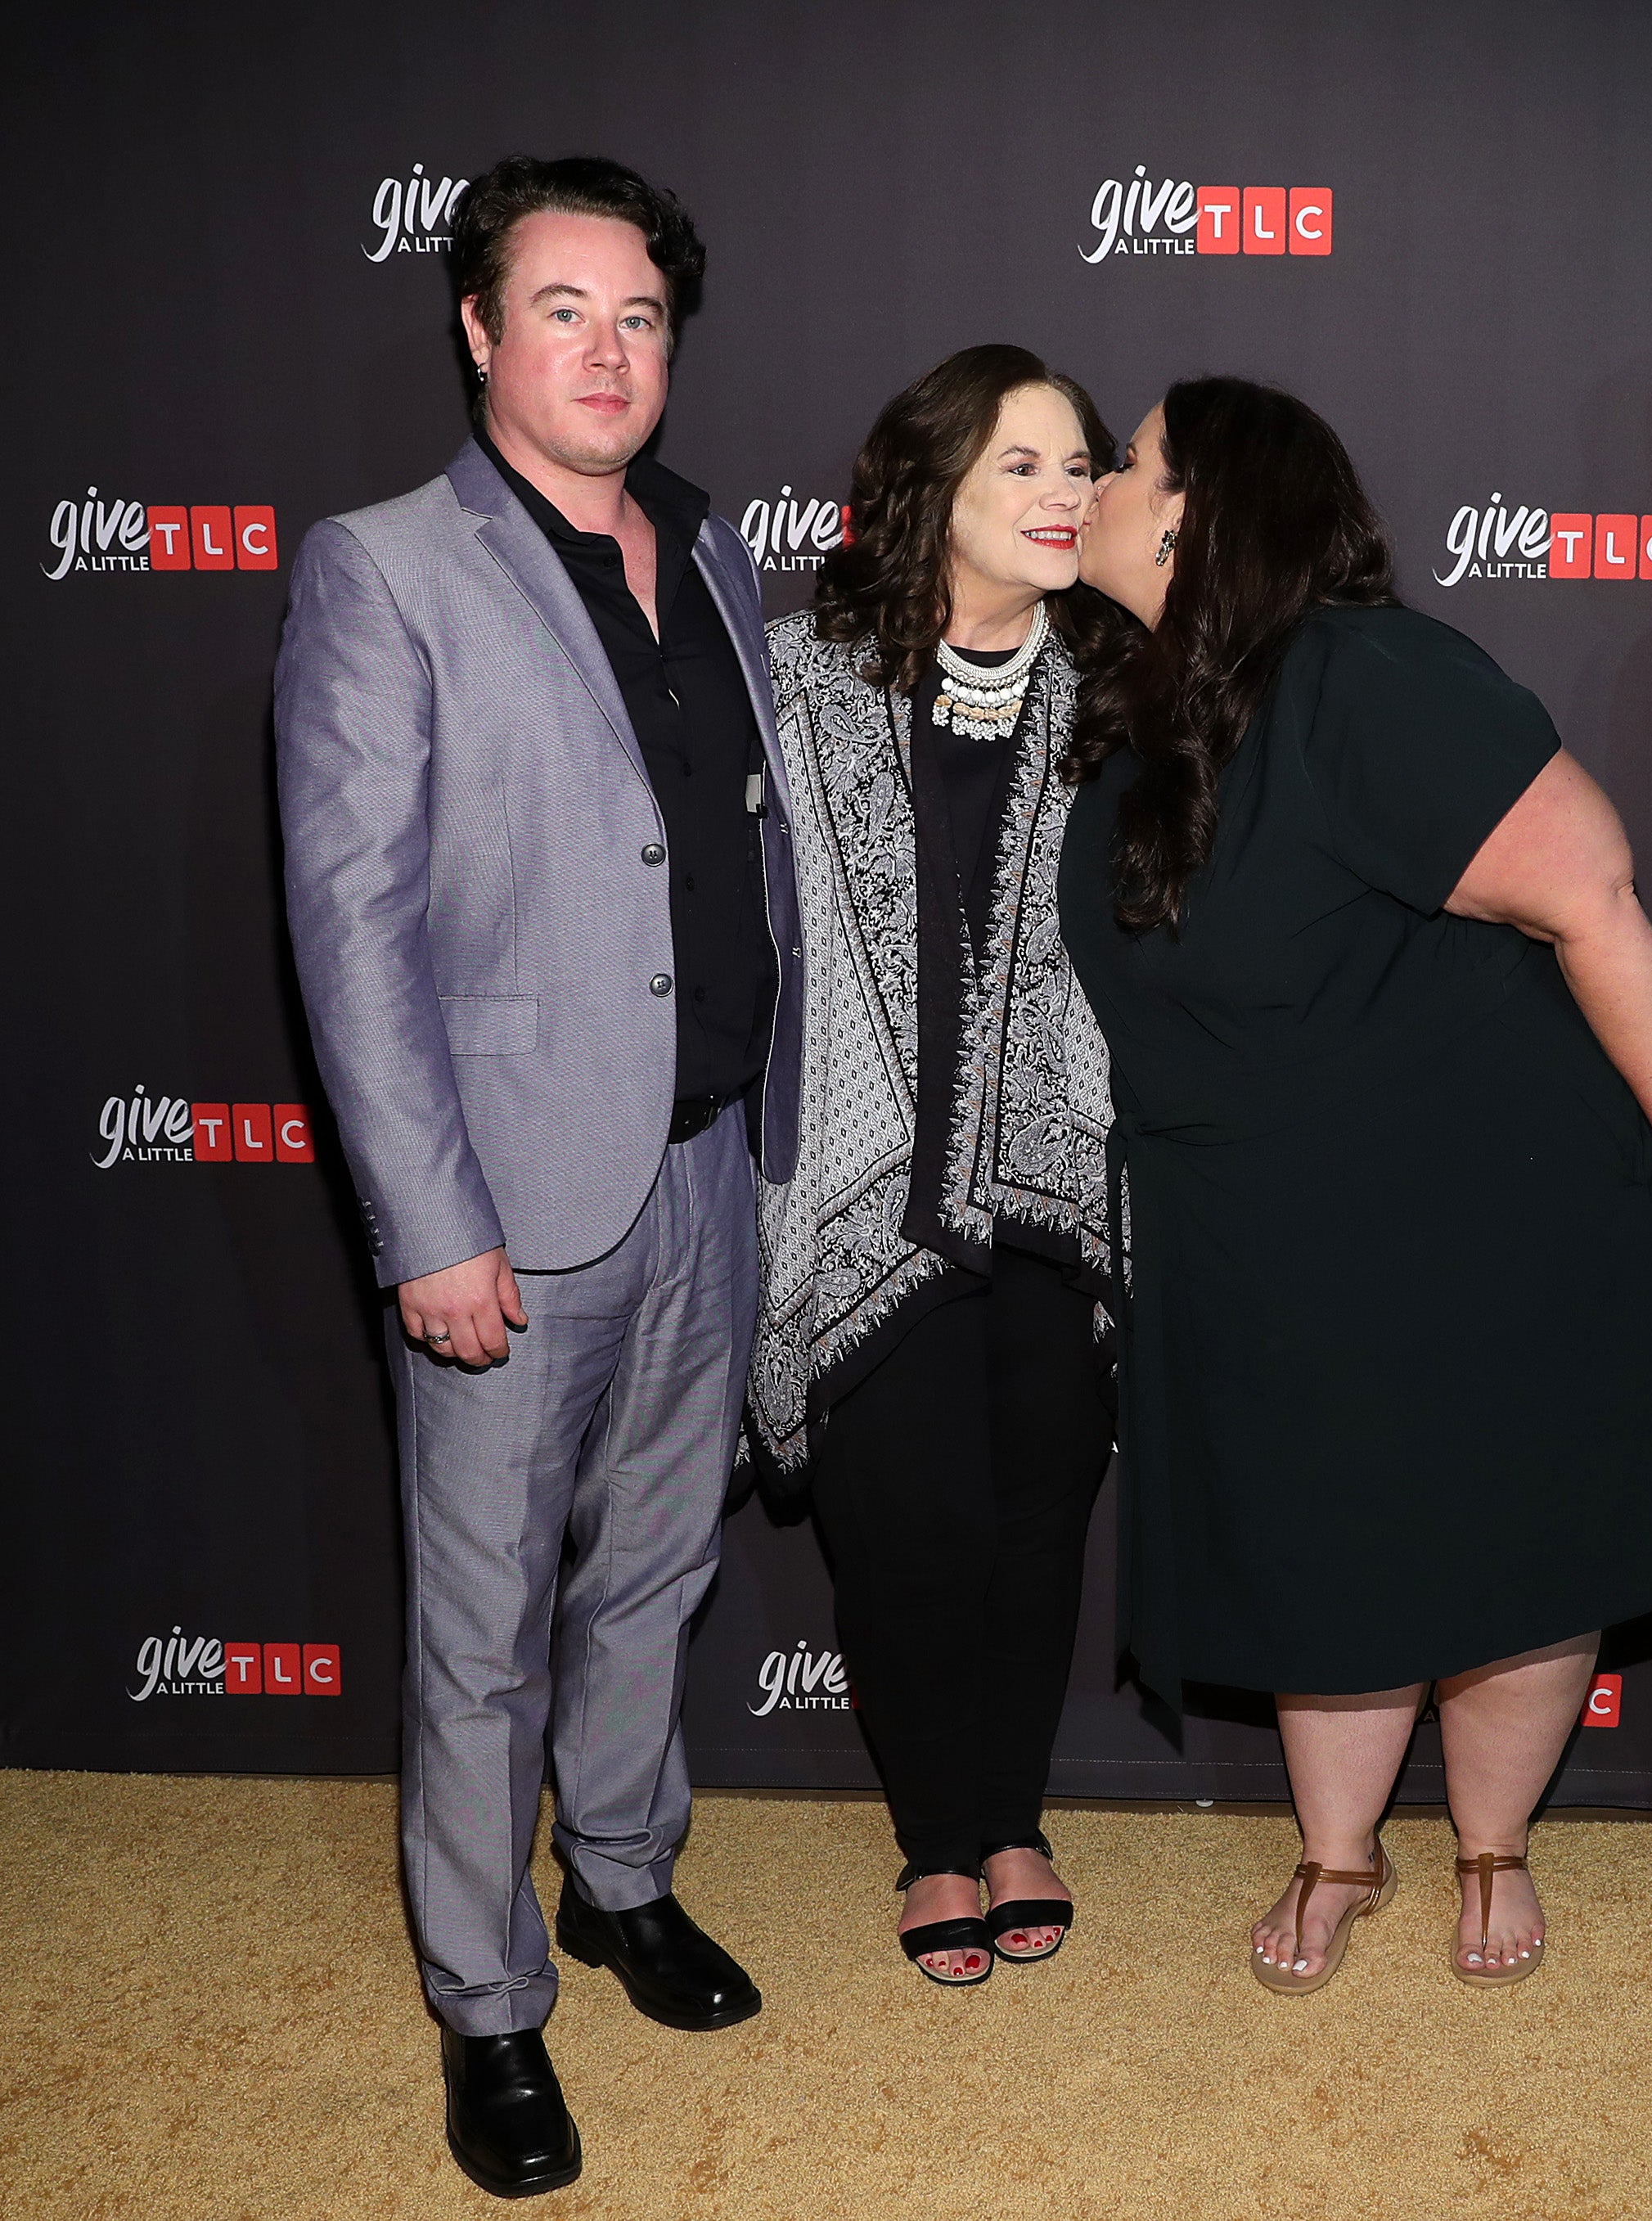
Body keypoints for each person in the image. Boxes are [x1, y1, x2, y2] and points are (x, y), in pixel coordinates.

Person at [1061, 378, 1652, 1994]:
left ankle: (1495, 1841)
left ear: (1195, 511)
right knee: (1323, 1545)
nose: (1091, 482)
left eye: (1124, 459)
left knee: (1518, 1541)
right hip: (1274, 1236)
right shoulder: (1155, 709)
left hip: (1491, 1215)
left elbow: (1593, 891)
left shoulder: (1362, 672)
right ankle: (1342, 1849)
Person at [277, 155, 803, 2201]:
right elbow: (353, 923)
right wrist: (430, 1219)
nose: (610, 349)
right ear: (481, 333)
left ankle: (618, 1881)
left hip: (708, 1166)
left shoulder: (713, 546)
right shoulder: (382, 566)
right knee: (487, 1619)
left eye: (643, 315)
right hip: (510, 1192)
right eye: (563, 309)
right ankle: (489, 2004)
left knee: (658, 1576)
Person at [747, 346, 1122, 1989]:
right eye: (1022, 468)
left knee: (1039, 1519)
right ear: (935, 493)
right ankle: (936, 1841)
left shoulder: (1119, 695)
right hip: (869, 1191)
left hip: (1059, 1191)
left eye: (1080, 467)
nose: (1064, 496)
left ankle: (1013, 1815)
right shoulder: (797, 675)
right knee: (910, 1539)